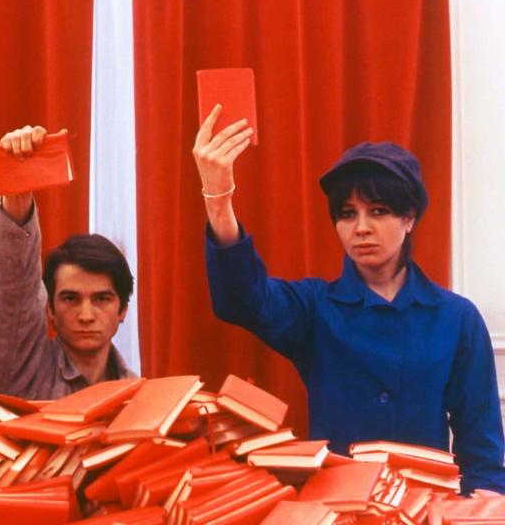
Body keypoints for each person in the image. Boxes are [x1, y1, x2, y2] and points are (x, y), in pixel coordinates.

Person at [192, 104, 505, 494]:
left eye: (379, 211)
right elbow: (242, 299)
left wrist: (484, 512)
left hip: (427, 508)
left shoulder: (457, 318)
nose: (360, 228)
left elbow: (482, 448)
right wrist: (218, 198)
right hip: (336, 509)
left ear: (409, 219)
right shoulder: (315, 308)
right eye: (346, 213)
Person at [0, 125, 136, 400]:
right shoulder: (22, 372)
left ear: (122, 310)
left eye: (102, 299)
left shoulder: (140, 396)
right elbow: (12, 292)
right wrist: (17, 187)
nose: (86, 316)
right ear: (49, 309)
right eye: (70, 299)